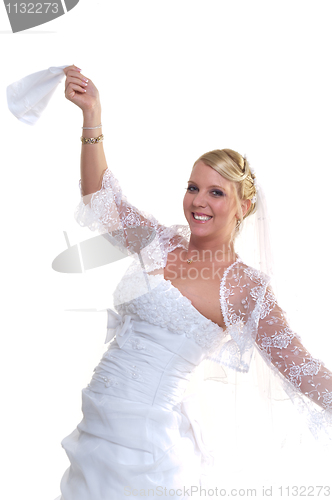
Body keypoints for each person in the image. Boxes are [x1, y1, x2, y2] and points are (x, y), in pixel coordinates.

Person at [55, 65, 332, 500]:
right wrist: (92, 116)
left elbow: (302, 368)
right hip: (96, 430)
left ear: (243, 206)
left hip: (144, 450)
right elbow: (101, 200)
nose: (198, 202)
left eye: (216, 193)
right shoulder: (160, 241)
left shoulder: (245, 288)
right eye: (193, 187)